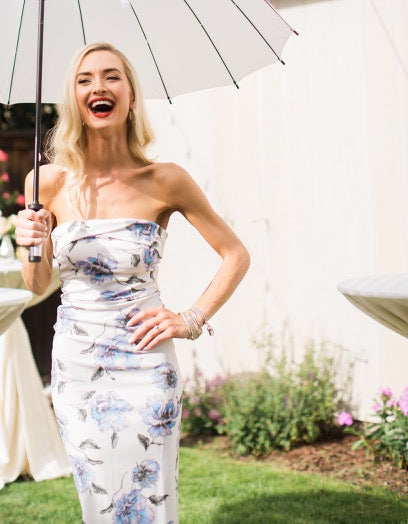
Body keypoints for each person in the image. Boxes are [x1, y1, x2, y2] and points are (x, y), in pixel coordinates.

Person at [16, 42, 250, 523]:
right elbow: (37, 284)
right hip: (77, 367)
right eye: (85, 80)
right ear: (72, 98)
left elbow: (235, 254)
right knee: (99, 499)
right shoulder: (46, 183)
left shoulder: (165, 179)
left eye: (111, 76)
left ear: (130, 94)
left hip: (146, 368)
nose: (98, 87)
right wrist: (31, 241)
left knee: (151, 501)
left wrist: (189, 319)